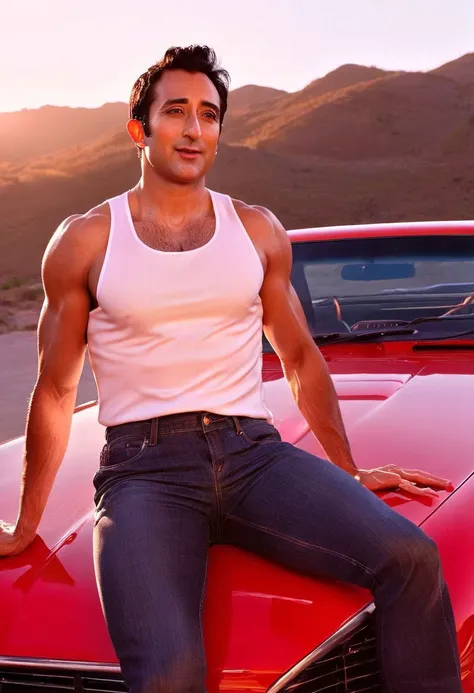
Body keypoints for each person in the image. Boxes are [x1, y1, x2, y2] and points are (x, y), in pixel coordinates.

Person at [0, 45, 461, 693]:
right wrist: (27, 522)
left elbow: (299, 356)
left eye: (209, 115)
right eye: (176, 112)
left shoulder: (256, 230)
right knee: (169, 673)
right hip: (144, 472)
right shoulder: (87, 239)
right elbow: (54, 389)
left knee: (411, 554)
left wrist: (349, 466)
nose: (194, 129)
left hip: (255, 455)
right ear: (140, 128)